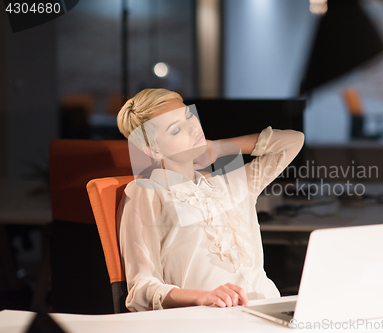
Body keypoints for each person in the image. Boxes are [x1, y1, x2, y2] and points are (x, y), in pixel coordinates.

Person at [116, 88, 304, 311]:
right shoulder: (146, 191)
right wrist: (202, 297)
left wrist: (219, 147)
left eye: (189, 116)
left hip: (270, 309)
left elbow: (293, 141)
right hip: (211, 317)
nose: (193, 127)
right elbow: (141, 289)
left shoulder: (231, 181)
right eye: (176, 130)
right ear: (153, 151)